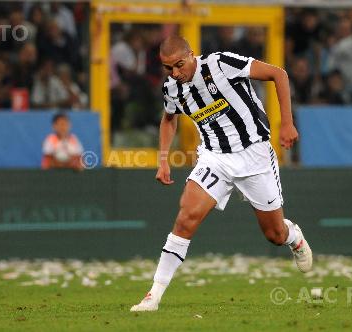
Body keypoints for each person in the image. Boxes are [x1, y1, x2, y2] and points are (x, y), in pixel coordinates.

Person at [130, 36, 312, 312]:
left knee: (274, 234)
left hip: (255, 155)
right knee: (185, 219)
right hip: (215, 158)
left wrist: (286, 123)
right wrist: (163, 159)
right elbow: (169, 119)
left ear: (192, 54)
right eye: (169, 68)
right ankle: (153, 296)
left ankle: (293, 236)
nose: (176, 73)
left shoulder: (221, 63)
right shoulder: (172, 89)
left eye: (179, 64)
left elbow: (278, 74)